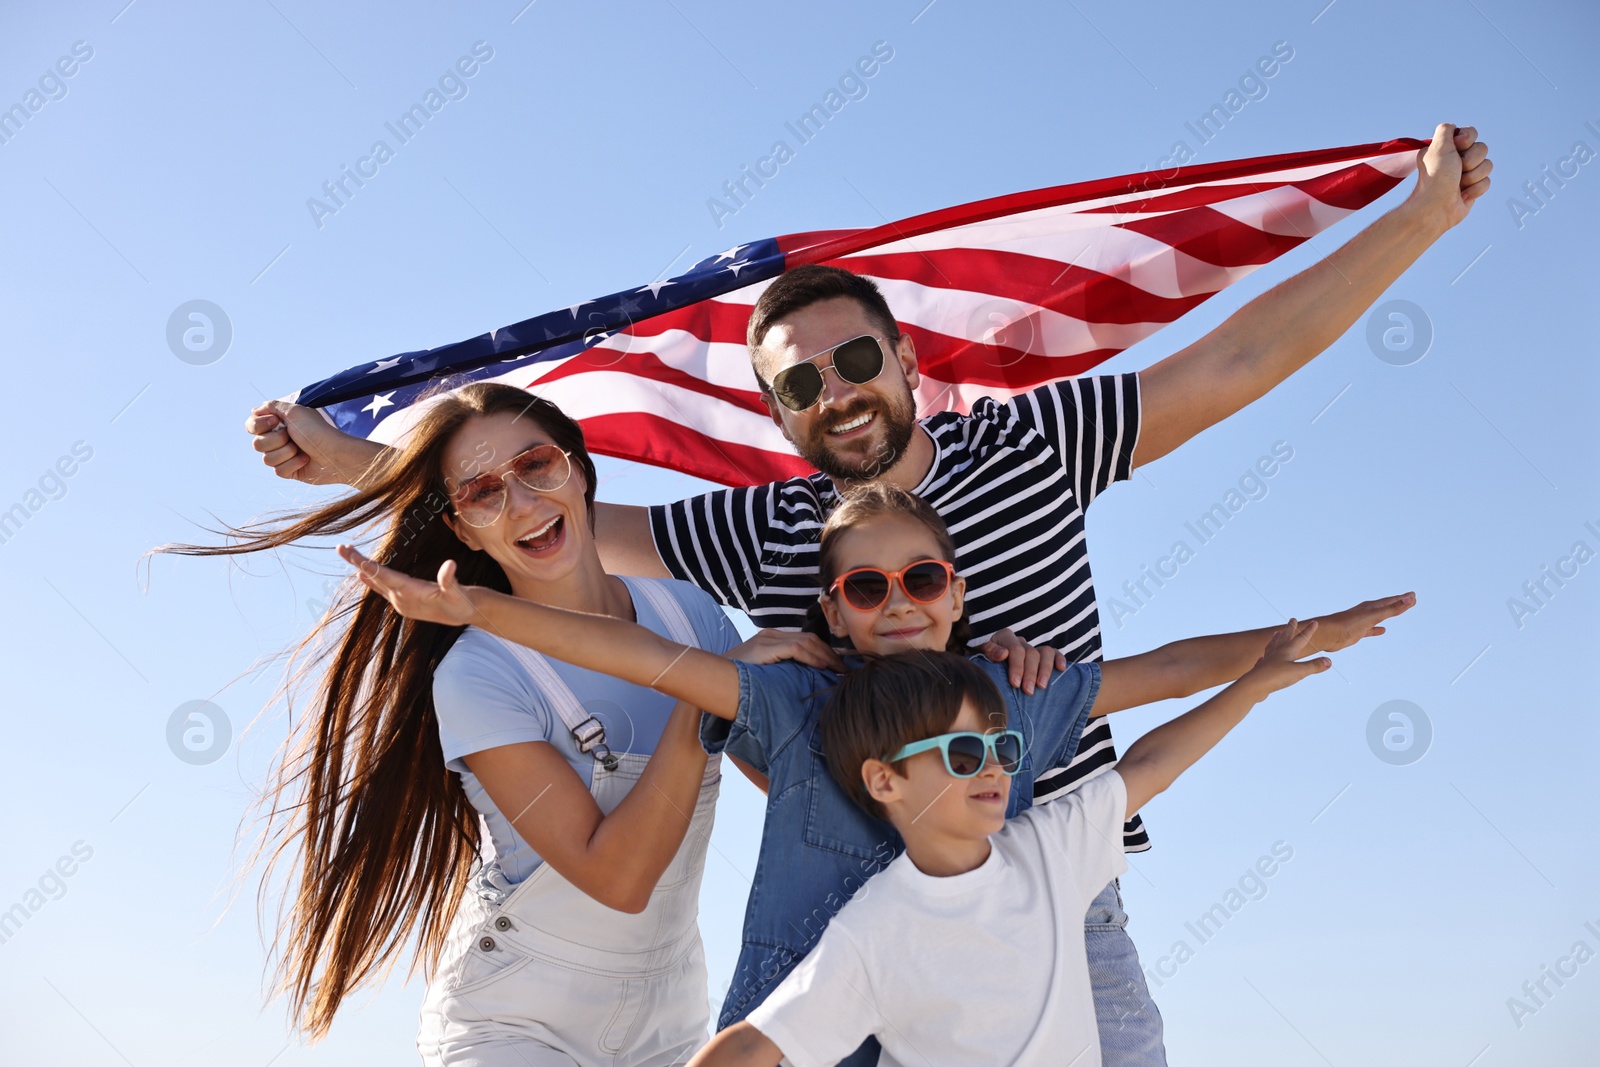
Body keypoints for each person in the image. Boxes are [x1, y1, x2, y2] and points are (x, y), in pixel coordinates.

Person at [245, 122, 1488, 1063]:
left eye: (855, 359)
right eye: (800, 383)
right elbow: (565, 528)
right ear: (779, 415)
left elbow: (1236, 359)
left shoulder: (1035, 441)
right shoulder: (764, 525)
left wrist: (1418, 219)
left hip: (1059, 889)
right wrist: (356, 463)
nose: (836, 390)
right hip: (851, 911)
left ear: (902, 359)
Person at [340, 482, 1413, 1064]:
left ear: (956, 592)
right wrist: (480, 606)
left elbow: (1156, 688)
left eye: (921, 575)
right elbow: (642, 657)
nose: (897, 598)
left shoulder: (1013, 701)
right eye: (864, 585)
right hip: (805, 998)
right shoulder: (797, 702)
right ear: (831, 610)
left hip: (948, 1011)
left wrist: (1285, 645)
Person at [170, 382, 807, 1066]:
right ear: (460, 526)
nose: (523, 503)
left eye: (537, 465)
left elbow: (794, 787)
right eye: (481, 493)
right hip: (512, 1028)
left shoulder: (691, 615)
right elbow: (618, 878)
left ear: (580, 469)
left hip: (670, 1025)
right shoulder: (480, 675)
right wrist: (706, 691)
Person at [685, 617, 1336, 1067]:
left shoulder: (1049, 848)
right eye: (965, 753)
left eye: (1003, 747)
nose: (995, 767)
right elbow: (754, 1043)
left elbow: (1151, 765)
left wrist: (1253, 684)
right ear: (886, 780)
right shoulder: (875, 929)